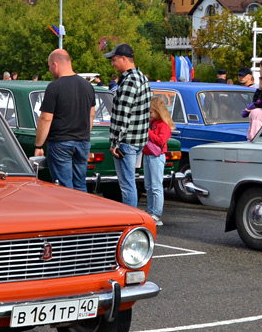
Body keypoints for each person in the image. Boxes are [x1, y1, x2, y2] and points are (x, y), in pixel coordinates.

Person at [34, 49, 96, 191]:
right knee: (80, 184)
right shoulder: (88, 86)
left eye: (49, 67)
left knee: (63, 187)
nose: (50, 70)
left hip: (61, 143)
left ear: (55, 64)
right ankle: (83, 212)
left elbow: (46, 118)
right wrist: (84, 134)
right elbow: (91, 114)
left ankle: (69, 213)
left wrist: (38, 146)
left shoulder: (54, 87)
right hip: (83, 142)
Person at [105, 43, 151, 208]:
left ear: (124, 59)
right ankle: (134, 215)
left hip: (126, 142)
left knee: (127, 184)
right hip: (138, 140)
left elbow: (122, 114)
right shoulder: (142, 77)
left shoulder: (130, 80)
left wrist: (115, 143)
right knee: (130, 181)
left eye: (114, 59)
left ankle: (131, 218)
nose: (113, 63)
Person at [144, 96, 173, 226]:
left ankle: (157, 213)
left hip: (156, 156)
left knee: (156, 186)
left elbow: (161, 141)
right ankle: (152, 212)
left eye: (150, 112)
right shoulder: (154, 123)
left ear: (157, 111)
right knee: (149, 186)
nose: (149, 114)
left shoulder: (163, 125)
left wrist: (148, 132)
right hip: (149, 155)